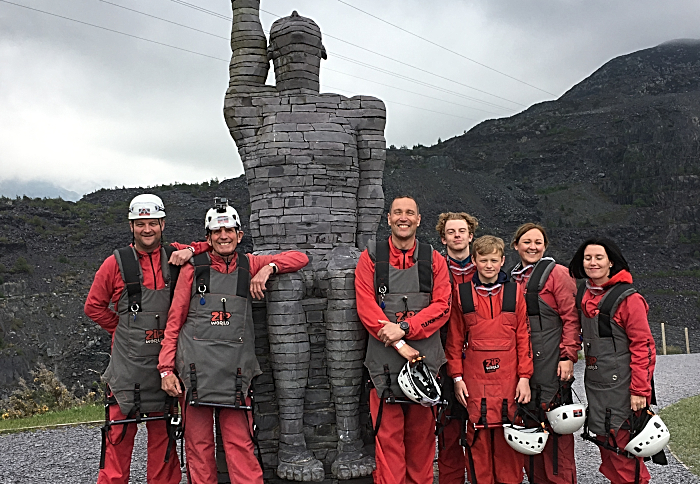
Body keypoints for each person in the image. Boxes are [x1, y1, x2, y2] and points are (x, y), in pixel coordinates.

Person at [158, 198, 309, 484]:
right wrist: (166, 369)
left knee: (240, 447)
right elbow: (174, 322)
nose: (224, 236)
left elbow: (300, 258)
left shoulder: (248, 264)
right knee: (199, 451)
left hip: (235, 377)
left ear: (240, 235)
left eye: (229, 231)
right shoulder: (193, 269)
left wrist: (270, 268)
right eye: (217, 232)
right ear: (208, 238)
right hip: (195, 376)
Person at [85, 193, 207, 484]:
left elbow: (210, 244)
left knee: (163, 436)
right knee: (119, 434)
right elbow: (93, 306)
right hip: (127, 368)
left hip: (166, 365)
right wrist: (121, 329)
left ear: (163, 224)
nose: (147, 229)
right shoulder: (116, 263)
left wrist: (190, 249)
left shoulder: (175, 256)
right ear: (131, 226)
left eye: (153, 223)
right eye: (140, 224)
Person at [355, 195, 451, 484]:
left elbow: (442, 306)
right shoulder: (371, 256)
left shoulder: (434, 258)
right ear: (389, 219)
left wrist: (406, 328)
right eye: (398, 212)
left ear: (419, 219)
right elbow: (366, 306)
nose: (403, 218)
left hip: (425, 366)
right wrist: (398, 342)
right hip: (383, 367)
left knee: (422, 442)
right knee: (388, 440)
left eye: (410, 213)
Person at [446, 235, 533, 484]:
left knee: (508, 443)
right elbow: (453, 341)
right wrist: (457, 378)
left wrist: (525, 378)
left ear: (503, 260)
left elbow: (524, 338)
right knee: (478, 442)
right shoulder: (461, 293)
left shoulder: (514, 292)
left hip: (509, 380)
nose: (489, 265)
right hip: (474, 382)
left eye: (494, 260)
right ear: (474, 260)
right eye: (483, 260)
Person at [569, 238, 656, 484]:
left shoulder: (629, 299)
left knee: (625, 451)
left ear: (611, 262)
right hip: (597, 384)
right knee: (607, 449)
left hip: (624, 388)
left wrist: (640, 390)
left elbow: (644, 346)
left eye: (599, 257)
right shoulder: (584, 294)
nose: (593, 263)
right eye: (588, 258)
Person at [509, 223, 581, 484]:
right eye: (526, 242)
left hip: (552, 363)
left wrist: (568, 356)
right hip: (524, 365)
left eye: (538, 242)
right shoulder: (512, 276)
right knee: (530, 426)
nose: (532, 247)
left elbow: (571, 318)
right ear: (516, 245)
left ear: (545, 246)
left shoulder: (557, 274)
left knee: (556, 426)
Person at [434, 212, 479, 484]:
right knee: (448, 426)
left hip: (478, 356)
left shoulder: (486, 267)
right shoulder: (433, 268)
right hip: (442, 352)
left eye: (462, 231)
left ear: (471, 235)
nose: (457, 236)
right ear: (443, 238)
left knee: (478, 427)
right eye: (451, 232)